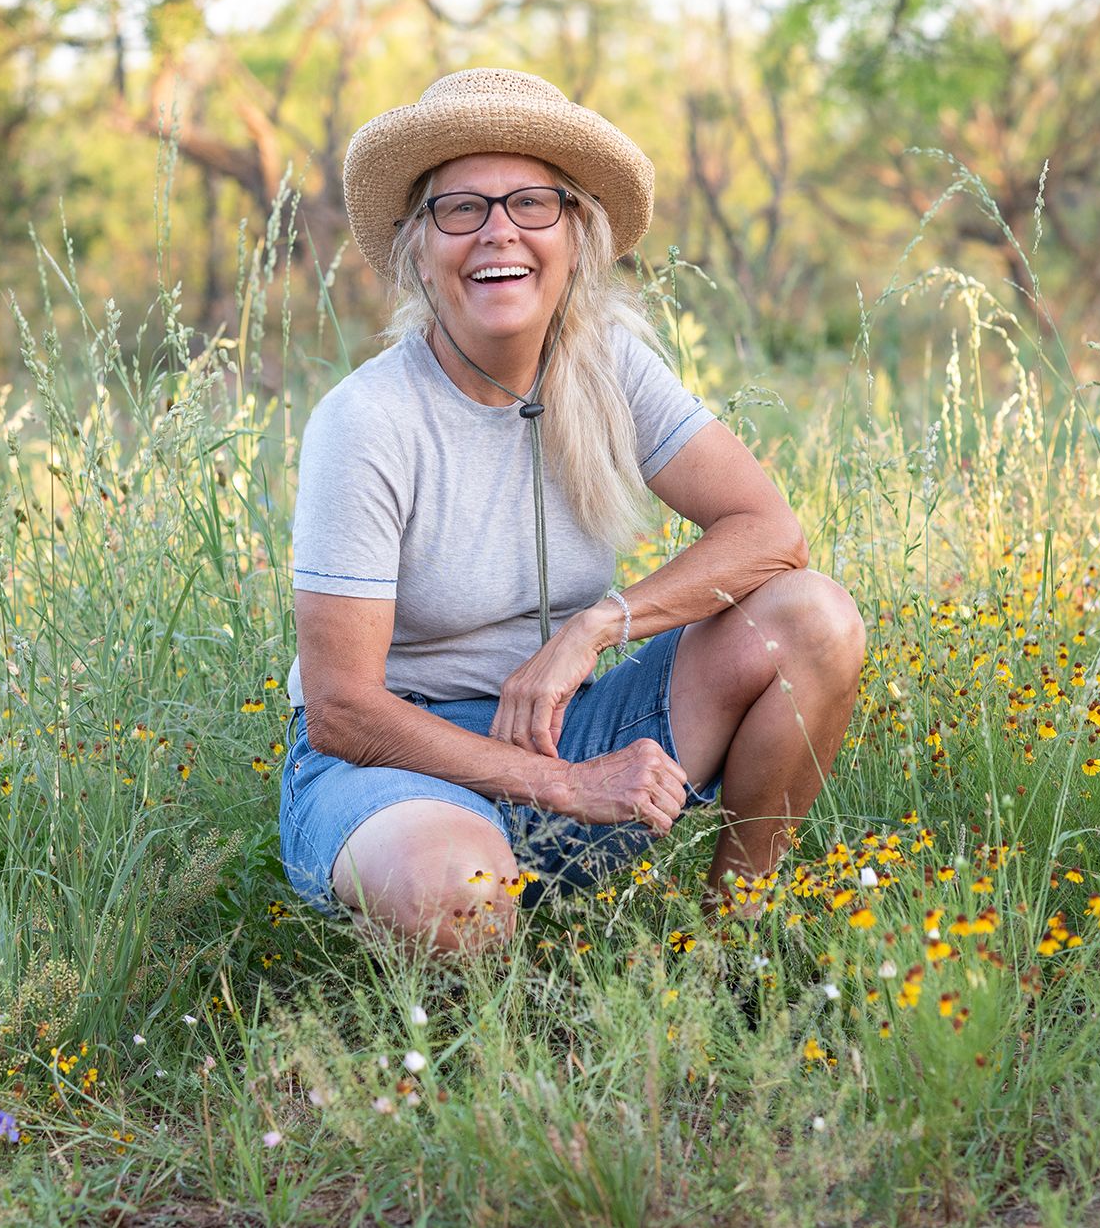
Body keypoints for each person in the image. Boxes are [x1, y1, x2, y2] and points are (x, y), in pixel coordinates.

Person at [279, 67, 866, 952]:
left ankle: (732, 945)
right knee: (463, 893)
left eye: (531, 203)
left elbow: (770, 533)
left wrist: (595, 628)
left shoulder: (613, 365)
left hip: (570, 726)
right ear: (418, 246)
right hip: (391, 766)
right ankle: (475, 1026)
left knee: (814, 617)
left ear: (577, 231)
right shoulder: (365, 422)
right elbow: (342, 711)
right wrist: (564, 787)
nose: (498, 233)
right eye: (461, 209)